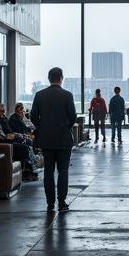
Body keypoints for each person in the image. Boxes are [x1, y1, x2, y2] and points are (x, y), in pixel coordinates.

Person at [30, 67, 77, 211]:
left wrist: (42, 127)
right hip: (63, 139)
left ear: (49, 78)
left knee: (48, 171)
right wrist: (66, 126)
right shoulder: (67, 95)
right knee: (63, 171)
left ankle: (50, 202)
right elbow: (73, 116)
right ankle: (62, 202)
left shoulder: (39, 95)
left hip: (47, 139)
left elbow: (33, 117)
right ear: (61, 78)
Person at [0, 102, 39, 180]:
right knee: (23, 148)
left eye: (4, 110)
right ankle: (27, 172)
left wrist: (12, 136)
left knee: (25, 144)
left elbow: (7, 132)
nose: (4, 112)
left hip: (5, 142)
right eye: (1, 110)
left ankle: (29, 170)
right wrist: (6, 137)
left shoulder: (0, 120)